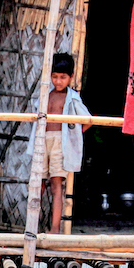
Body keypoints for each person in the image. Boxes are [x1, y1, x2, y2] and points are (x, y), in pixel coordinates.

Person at [36, 53, 90, 232]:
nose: (58, 81)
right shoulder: (46, 95)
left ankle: (54, 228)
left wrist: (73, 136)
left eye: (63, 77)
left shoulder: (72, 97)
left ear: (71, 77)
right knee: (39, 183)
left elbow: (87, 120)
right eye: (55, 77)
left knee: (56, 184)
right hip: (42, 140)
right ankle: (33, 225)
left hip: (60, 141)